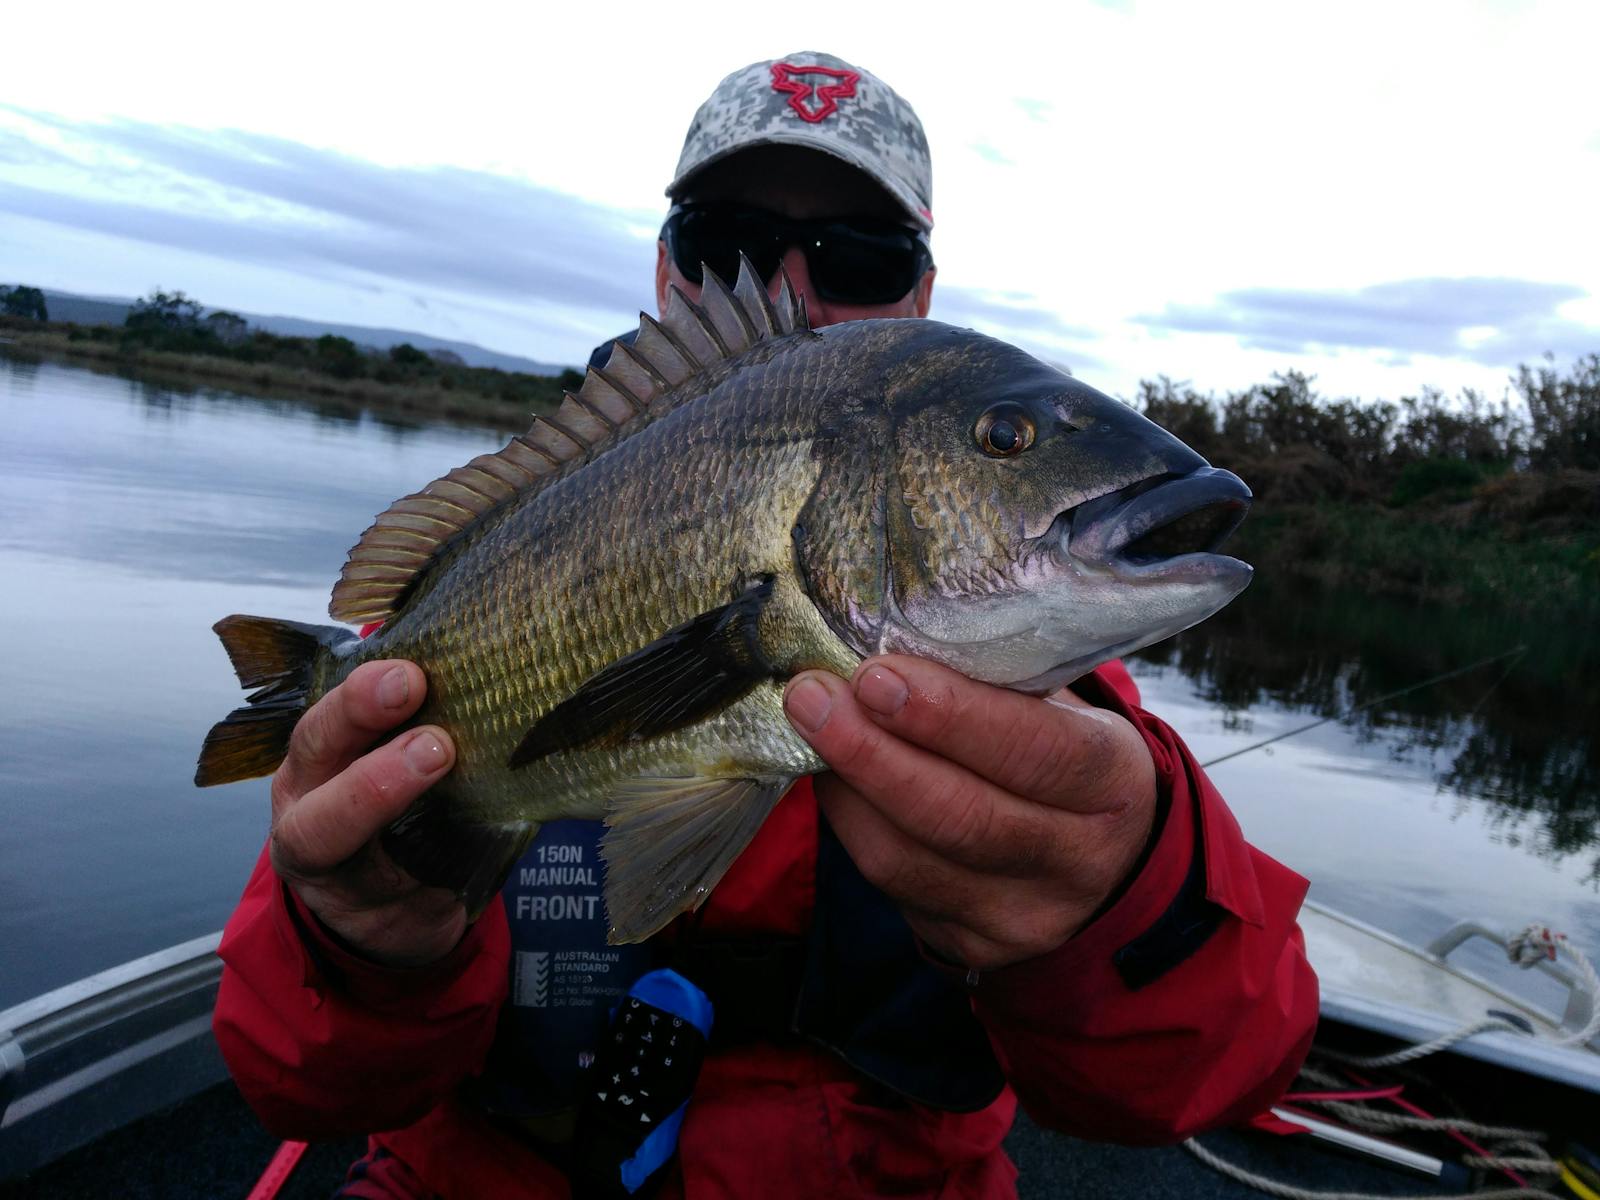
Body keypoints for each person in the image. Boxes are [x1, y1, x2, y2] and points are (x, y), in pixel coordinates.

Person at [213, 52, 1318, 1199]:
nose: (794, 283)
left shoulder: (1062, 711)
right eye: (727, 241)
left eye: (860, 255)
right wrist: (358, 942)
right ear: (664, 267)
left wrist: (1126, 888)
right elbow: (294, 1081)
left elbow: (1218, 1073)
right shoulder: (475, 597)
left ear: (919, 293)